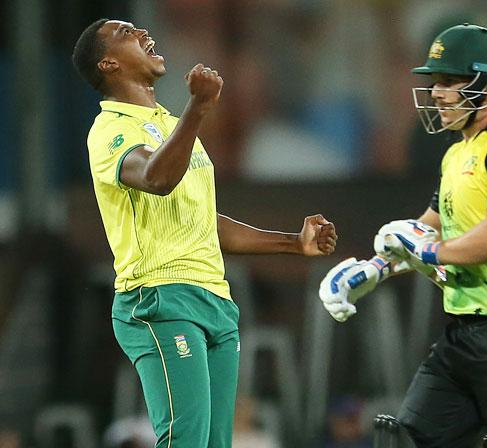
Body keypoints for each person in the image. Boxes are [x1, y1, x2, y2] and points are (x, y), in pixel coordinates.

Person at [71, 18, 337, 448]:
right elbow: (157, 179)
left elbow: (204, 223)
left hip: (214, 298)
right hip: (159, 298)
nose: (140, 33)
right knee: (186, 440)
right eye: (125, 33)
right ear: (108, 64)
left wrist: (292, 242)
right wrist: (198, 109)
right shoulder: (110, 130)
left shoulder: (171, 125)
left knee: (215, 443)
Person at [320, 24, 487, 448]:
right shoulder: (457, 152)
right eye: (435, 82)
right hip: (461, 335)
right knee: (403, 440)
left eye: (450, 81)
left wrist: (430, 253)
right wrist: (376, 269)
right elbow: (427, 228)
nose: (437, 93)